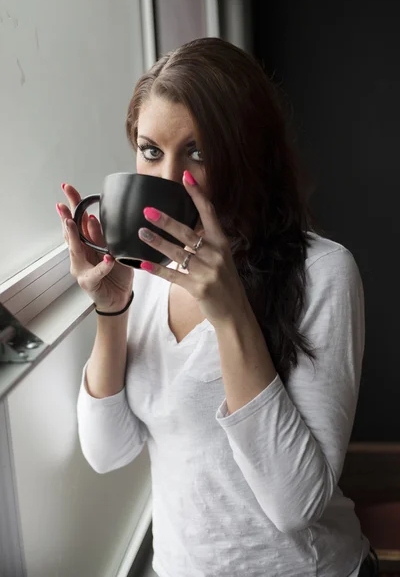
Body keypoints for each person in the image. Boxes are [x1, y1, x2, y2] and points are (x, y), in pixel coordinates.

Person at [56, 38, 378, 577]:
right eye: (151, 150)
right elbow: (106, 453)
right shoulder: (145, 274)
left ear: (248, 153)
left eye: (198, 152)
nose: (167, 178)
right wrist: (111, 311)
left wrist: (229, 312)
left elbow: (296, 506)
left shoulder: (324, 272)